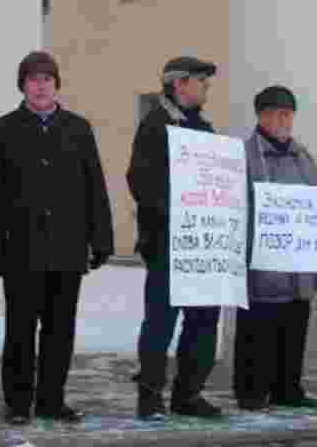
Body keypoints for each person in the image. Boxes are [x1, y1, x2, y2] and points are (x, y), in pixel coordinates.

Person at [0, 51, 114, 425]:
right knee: (20, 331)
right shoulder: (2, 130)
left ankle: (52, 400)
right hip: (20, 250)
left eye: (47, 79)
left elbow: (94, 188)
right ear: (22, 85)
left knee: (59, 332)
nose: (40, 85)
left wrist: (100, 238)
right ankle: (18, 401)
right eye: (32, 79)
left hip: (67, 250)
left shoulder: (78, 129)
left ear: (56, 84)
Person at [128, 56, 222, 420]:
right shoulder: (155, 126)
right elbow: (140, 180)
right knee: (161, 322)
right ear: (179, 84)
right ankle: (150, 397)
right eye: (201, 81)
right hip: (167, 244)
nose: (206, 87)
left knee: (203, 320)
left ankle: (188, 394)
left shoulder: (205, 130)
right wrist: (177, 210)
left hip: (202, 244)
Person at [233, 86, 317, 411]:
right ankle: (251, 391)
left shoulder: (302, 155)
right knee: (258, 331)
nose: (285, 120)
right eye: (278, 113)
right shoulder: (245, 155)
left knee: (293, 327)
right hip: (263, 263)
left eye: (289, 113)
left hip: (299, 263)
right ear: (262, 116)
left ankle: (289, 388)